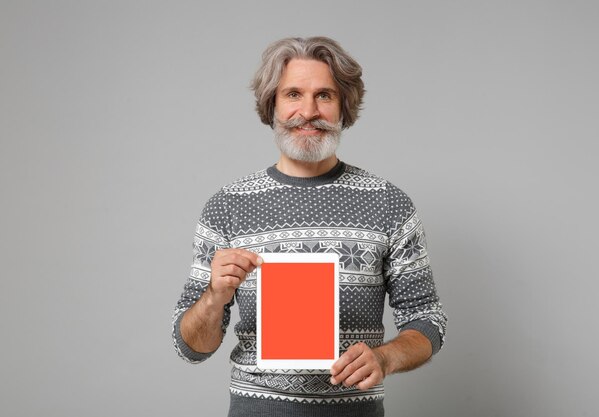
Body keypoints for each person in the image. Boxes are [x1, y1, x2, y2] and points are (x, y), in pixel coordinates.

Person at [172, 36, 447, 417]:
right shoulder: (227, 206)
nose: (308, 110)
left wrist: (385, 358)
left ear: (343, 107)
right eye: (293, 94)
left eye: (324, 96)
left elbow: (427, 319)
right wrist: (213, 297)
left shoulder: (388, 203)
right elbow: (191, 347)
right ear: (272, 106)